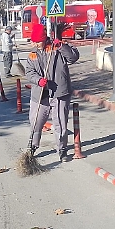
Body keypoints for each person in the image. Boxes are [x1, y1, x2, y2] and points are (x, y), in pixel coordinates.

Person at [25, 23, 80, 162]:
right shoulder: (32, 54)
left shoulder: (57, 48)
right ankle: (32, 145)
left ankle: (62, 149)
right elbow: (29, 72)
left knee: (60, 123)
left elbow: (73, 57)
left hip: (59, 92)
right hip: (40, 94)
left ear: (44, 39)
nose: (35, 44)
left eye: (37, 41)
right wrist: (38, 80)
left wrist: (62, 46)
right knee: (36, 121)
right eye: (34, 41)